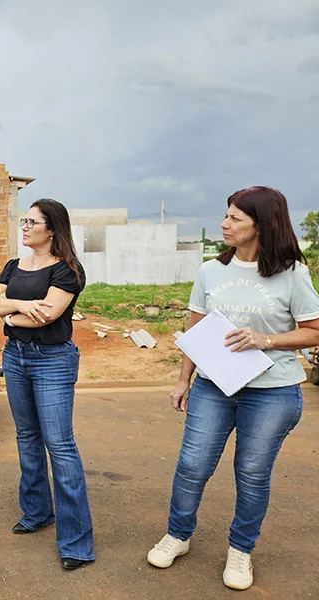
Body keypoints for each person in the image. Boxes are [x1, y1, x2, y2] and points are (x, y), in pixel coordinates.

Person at [147, 186, 319, 590]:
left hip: (272, 391)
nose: (224, 224)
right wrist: (183, 378)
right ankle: (178, 535)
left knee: (253, 473)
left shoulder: (292, 272)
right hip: (213, 385)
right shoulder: (211, 270)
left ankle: (241, 551)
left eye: (235, 218)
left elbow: (314, 330)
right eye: (226, 215)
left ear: (263, 225)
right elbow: (197, 328)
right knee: (192, 466)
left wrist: (266, 340)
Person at [0, 198, 94, 570]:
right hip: (15, 359)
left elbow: (46, 315)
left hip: (52, 361)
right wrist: (19, 306)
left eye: (32, 221)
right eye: (24, 220)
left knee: (60, 446)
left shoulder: (67, 270)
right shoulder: (15, 265)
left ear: (52, 229)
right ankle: (36, 513)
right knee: (27, 438)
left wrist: (12, 317)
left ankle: (76, 543)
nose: (25, 226)